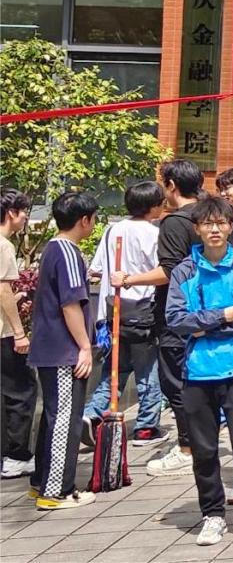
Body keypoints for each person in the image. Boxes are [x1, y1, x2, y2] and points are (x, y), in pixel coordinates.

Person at [166, 197, 233, 546]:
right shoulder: (184, 271)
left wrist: (202, 326)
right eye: (207, 224)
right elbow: (175, 319)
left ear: (231, 226)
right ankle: (212, 514)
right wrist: (222, 316)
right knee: (204, 449)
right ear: (197, 228)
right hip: (197, 370)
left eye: (221, 223)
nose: (215, 229)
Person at [27, 191, 98, 510]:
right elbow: (70, 304)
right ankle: (57, 491)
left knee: (53, 416)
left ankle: (41, 481)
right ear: (84, 220)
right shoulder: (68, 252)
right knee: (64, 419)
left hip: (49, 347)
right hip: (63, 349)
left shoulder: (52, 248)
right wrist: (84, 347)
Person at [84, 181, 167, 447]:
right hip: (142, 311)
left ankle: (92, 413)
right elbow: (162, 272)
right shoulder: (154, 234)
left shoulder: (113, 229)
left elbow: (97, 269)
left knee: (114, 370)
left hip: (114, 311)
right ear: (152, 206)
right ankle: (146, 427)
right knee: (148, 372)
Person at [146, 158, 203, 478]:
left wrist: (128, 280)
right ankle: (200, 443)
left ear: (171, 185)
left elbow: (169, 271)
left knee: (176, 382)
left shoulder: (175, 223)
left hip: (177, 314)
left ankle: (187, 448)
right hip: (210, 313)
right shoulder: (213, 216)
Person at [0, 188, 35, 481]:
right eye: (23, 212)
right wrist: (19, 332)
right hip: (3, 334)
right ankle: (17, 456)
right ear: (11, 213)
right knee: (21, 391)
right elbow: (2, 290)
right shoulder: (4, 246)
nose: (25, 218)